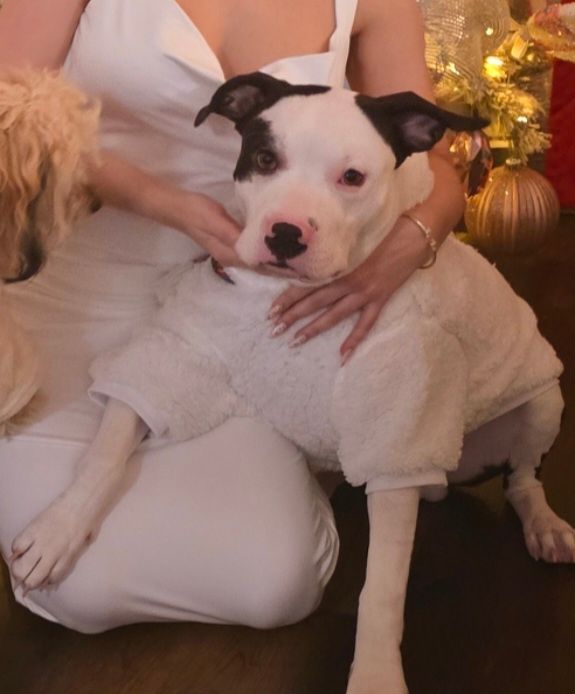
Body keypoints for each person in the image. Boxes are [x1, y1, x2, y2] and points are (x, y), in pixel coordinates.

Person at [0, 0, 466, 633]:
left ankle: (303, 459)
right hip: (78, 286)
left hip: (237, 314)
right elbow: (7, 114)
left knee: (276, 587)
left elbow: (437, 162)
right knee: (82, 587)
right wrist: (170, 206)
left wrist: (410, 242)